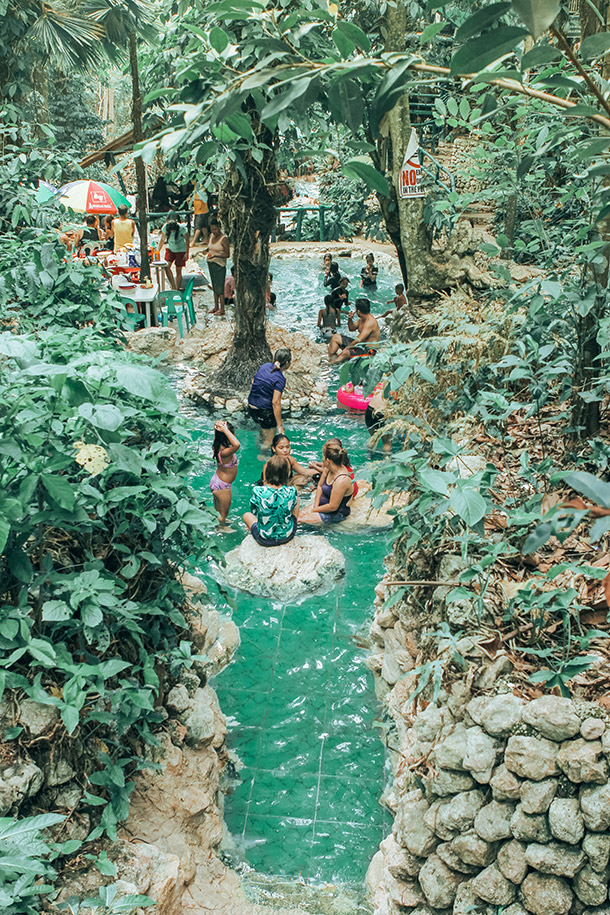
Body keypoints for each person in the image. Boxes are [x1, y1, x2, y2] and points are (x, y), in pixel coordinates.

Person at [243, 455, 299, 546]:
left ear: (268, 472)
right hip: (287, 536)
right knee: (297, 499)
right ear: (286, 473)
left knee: (246, 515)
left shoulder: (258, 491)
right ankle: (290, 523)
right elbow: (293, 506)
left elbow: (254, 511)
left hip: (264, 539)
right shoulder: (291, 491)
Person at [299, 442, 354, 525]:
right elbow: (320, 486)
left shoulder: (341, 480)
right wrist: (315, 506)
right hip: (321, 506)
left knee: (300, 520)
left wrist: (314, 510)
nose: (322, 460)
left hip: (336, 513)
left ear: (328, 461)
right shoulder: (328, 468)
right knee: (298, 516)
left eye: (322, 457)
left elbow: (333, 507)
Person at [247, 348, 291, 448]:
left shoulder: (265, 366)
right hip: (264, 412)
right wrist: (280, 426)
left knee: (262, 436)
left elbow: (254, 381)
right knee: (269, 441)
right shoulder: (280, 379)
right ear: (287, 363)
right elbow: (275, 402)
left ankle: (257, 448)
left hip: (251, 407)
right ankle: (261, 457)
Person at [328, 297, 380, 363]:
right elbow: (351, 328)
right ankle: (330, 357)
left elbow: (359, 339)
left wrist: (347, 348)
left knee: (346, 353)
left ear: (358, 311)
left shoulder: (370, 322)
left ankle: (330, 364)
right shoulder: (362, 319)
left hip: (368, 351)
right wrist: (350, 319)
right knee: (335, 337)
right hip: (360, 345)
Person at [209, 420, 241, 524]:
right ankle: (221, 528)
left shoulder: (217, 445)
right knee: (223, 514)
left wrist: (219, 428)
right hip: (223, 486)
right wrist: (225, 430)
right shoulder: (225, 452)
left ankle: (219, 523)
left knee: (217, 512)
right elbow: (237, 444)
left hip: (217, 481)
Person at [159, 213, 190, 290]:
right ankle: (173, 285)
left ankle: (177, 288)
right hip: (171, 249)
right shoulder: (165, 227)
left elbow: (187, 240)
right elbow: (162, 239)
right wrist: (157, 250)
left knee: (178, 270)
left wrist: (187, 253)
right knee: (166, 266)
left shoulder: (182, 228)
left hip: (181, 250)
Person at [207, 219, 231, 315]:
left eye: (215, 229)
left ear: (219, 228)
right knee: (214, 286)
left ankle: (222, 309)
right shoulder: (211, 236)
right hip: (211, 262)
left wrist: (216, 256)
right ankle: (216, 306)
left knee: (220, 287)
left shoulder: (224, 238)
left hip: (219, 264)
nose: (214, 232)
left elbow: (227, 254)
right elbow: (210, 248)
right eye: (212, 229)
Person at [365, 384, 392, 452]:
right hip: (384, 413)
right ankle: (386, 460)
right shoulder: (399, 383)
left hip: (370, 410)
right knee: (387, 444)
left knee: (373, 439)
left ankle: (369, 456)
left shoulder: (383, 380)